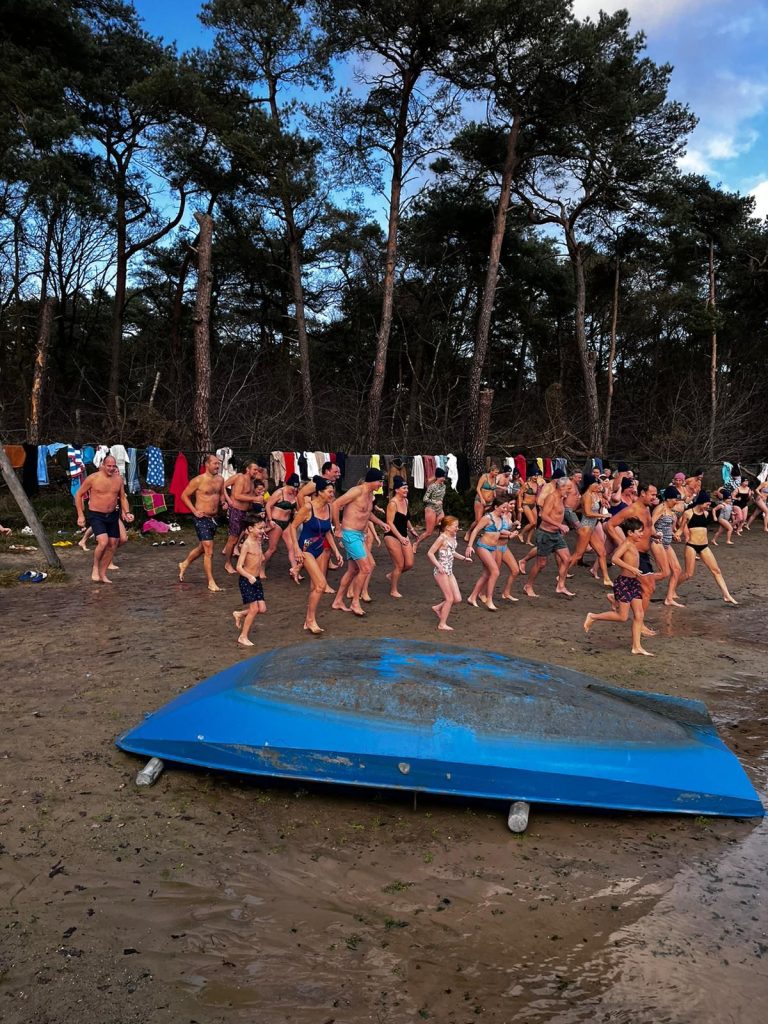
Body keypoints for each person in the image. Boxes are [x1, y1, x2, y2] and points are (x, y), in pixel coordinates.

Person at [583, 519, 655, 656]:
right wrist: (631, 568)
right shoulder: (626, 544)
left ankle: (636, 647)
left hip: (633, 582)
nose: (641, 534)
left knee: (639, 614)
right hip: (624, 583)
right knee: (622, 617)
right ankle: (593, 616)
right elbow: (615, 558)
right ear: (630, 533)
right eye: (639, 532)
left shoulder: (634, 544)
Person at [331, 468, 390, 616]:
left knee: (353, 570)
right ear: (372, 480)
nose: (381, 485)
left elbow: (366, 513)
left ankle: (337, 601)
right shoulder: (357, 491)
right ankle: (355, 602)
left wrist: (381, 523)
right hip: (350, 534)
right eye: (379, 482)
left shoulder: (370, 495)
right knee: (366, 568)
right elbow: (335, 504)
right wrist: (337, 528)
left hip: (360, 535)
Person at [289, 478, 344, 634]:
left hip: (320, 548)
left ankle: (309, 619)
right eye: (330, 492)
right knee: (321, 584)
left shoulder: (329, 507)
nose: (332, 494)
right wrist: (296, 549)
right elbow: (293, 527)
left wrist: (336, 551)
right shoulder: (308, 508)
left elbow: (327, 531)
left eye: (333, 492)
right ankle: (311, 620)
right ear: (319, 492)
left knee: (315, 587)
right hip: (306, 548)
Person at [74, 455, 135, 583]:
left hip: (112, 514)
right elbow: (78, 495)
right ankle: (95, 567)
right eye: (109, 466)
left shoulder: (118, 479)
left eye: (113, 466)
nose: (111, 468)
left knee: (113, 543)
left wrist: (127, 512)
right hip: (96, 514)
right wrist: (80, 514)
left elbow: (122, 497)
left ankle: (103, 573)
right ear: (103, 465)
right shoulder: (93, 478)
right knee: (103, 542)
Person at [605, 482, 660, 623]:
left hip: (644, 554)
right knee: (648, 588)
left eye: (655, 495)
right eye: (652, 494)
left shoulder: (647, 508)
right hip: (635, 554)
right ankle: (639, 623)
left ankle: (616, 598)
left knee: (644, 587)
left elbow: (646, 529)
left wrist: (654, 535)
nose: (655, 497)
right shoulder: (631, 510)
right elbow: (609, 524)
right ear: (643, 493)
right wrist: (622, 544)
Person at [177, 453, 228, 592]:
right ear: (207, 464)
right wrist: (194, 511)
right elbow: (184, 495)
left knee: (202, 548)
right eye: (215, 463)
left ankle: (184, 563)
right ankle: (211, 582)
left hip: (214, 518)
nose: (217, 466)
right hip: (201, 518)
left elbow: (221, 494)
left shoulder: (220, 479)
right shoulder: (198, 480)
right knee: (209, 549)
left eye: (218, 463)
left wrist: (223, 502)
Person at [678, 492, 738, 605]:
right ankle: (672, 588)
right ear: (701, 502)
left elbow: (713, 512)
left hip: (704, 546)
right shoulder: (688, 513)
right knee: (688, 574)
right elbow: (681, 528)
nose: (708, 506)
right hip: (691, 545)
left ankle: (726, 595)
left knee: (716, 570)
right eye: (707, 504)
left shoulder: (706, 513)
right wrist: (677, 534)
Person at [522, 478, 574, 598]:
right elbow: (544, 515)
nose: (570, 490)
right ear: (561, 487)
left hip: (556, 534)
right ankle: (528, 586)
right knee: (541, 563)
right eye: (568, 488)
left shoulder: (562, 498)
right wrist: (560, 525)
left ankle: (561, 586)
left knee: (567, 559)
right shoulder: (552, 497)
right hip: (545, 534)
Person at [465, 500, 514, 610]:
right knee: (495, 572)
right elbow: (475, 530)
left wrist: (510, 533)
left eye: (506, 508)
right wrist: (469, 546)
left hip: (493, 548)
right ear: (496, 506)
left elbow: (500, 531)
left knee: (486, 574)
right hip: (483, 547)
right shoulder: (487, 518)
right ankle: (489, 599)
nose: (505, 510)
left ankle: (472, 597)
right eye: (503, 507)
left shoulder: (501, 518)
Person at [427, 516, 472, 630]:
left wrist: (463, 558)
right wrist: (438, 566)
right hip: (441, 571)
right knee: (449, 599)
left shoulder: (453, 536)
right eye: (455, 526)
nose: (457, 528)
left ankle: (437, 608)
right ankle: (442, 624)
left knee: (457, 599)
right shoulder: (442, 538)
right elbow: (430, 553)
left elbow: (452, 552)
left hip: (449, 571)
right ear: (447, 527)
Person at [223, 461, 267, 574]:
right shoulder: (240, 477)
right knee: (233, 539)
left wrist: (258, 500)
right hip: (236, 510)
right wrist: (226, 500)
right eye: (254, 470)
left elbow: (250, 496)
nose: (256, 472)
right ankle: (227, 563)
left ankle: (245, 562)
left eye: (257, 470)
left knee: (243, 537)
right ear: (248, 469)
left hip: (245, 512)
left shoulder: (252, 482)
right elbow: (235, 494)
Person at [567, 479, 612, 586]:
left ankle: (606, 579)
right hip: (586, 528)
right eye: (596, 484)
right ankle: (562, 573)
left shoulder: (593, 495)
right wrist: (603, 515)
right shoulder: (586, 496)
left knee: (602, 552)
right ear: (590, 485)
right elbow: (587, 513)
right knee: (578, 555)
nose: (598, 486)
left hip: (591, 528)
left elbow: (576, 509)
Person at [233, 516, 267, 647]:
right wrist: (249, 576)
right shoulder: (246, 545)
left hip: (256, 580)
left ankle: (240, 614)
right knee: (254, 609)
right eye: (260, 528)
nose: (262, 531)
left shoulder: (259, 541)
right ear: (250, 529)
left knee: (262, 609)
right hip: (247, 580)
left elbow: (259, 557)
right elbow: (238, 567)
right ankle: (243, 636)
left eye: (263, 528)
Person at [384, 476, 419, 598]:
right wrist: (400, 538)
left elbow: (405, 519)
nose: (406, 490)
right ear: (397, 490)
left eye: (407, 488)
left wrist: (412, 530)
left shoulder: (406, 501)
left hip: (403, 534)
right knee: (399, 565)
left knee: (409, 563)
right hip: (392, 535)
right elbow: (389, 522)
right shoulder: (392, 504)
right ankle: (393, 590)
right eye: (404, 488)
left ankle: (392, 575)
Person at [651, 486, 685, 607]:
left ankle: (669, 599)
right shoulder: (660, 508)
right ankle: (637, 580)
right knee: (664, 573)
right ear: (668, 498)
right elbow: (650, 524)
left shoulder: (670, 510)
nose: (676, 502)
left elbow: (666, 526)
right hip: (657, 543)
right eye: (675, 499)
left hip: (667, 543)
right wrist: (655, 535)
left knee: (677, 570)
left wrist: (673, 534)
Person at [264, 474, 301, 578]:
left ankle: (295, 571)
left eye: (296, 488)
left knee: (292, 547)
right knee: (272, 548)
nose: (294, 490)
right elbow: (268, 505)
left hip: (287, 523)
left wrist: (296, 512)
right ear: (287, 485)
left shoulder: (295, 494)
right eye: (292, 487)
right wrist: (270, 520)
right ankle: (260, 566)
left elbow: (296, 508)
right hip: (276, 522)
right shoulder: (279, 492)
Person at [414, 468, 447, 548]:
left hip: (440, 509)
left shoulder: (444, 486)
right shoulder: (432, 486)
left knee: (444, 527)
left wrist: (440, 503)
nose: (444, 478)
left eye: (444, 476)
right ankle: (416, 543)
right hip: (431, 509)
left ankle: (440, 545)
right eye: (443, 476)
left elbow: (441, 497)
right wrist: (435, 502)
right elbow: (425, 498)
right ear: (438, 477)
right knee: (429, 532)